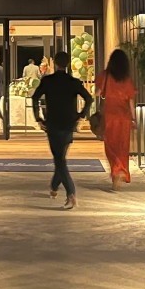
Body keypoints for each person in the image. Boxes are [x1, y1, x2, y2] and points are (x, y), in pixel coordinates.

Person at [31, 51, 93, 210]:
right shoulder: (73, 82)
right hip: (68, 124)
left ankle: (71, 193)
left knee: (59, 159)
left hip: (52, 124)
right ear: (67, 64)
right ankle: (53, 187)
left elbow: (35, 97)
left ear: (55, 63)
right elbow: (89, 98)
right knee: (60, 158)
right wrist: (81, 115)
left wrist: (38, 118)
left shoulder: (48, 81)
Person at [100, 49, 137, 191]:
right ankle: (120, 171)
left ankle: (115, 171)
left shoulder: (106, 76)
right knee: (122, 147)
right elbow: (131, 102)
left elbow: (98, 92)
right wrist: (134, 118)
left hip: (109, 117)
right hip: (124, 118)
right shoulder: (127, 80)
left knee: (110, 147)